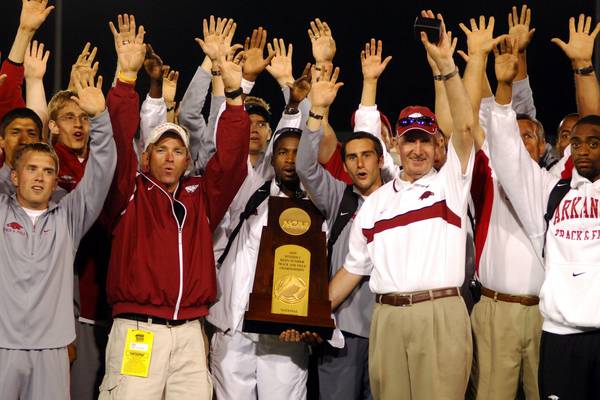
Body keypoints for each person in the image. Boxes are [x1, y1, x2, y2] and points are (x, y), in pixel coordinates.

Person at [97, 19, 249, 398]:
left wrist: (233, 95)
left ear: (187, 160)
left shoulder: (200, 197)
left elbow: (230, 162)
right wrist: (125, 80)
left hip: (189, 333)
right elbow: (116, 143)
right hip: (138, 329)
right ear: (145, 158)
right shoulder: (128, 194)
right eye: (160, 149)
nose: (169, 158)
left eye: (178, 150)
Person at [329, 19, 475, 399]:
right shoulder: (376, 203)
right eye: (410, 141)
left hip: (439, 313)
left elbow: (465, 128)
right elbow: (351, 271)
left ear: (437, 144)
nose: (417, 150)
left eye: (425, 141)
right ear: (396, 144)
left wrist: (446, 68)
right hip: (388, 317)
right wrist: (302, 312)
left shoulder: (451, 185)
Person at [487, 14, 600, 399]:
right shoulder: (551, 190)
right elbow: (506, 153)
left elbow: (593, 120)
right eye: (576, 144)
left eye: (593, 144)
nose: (581, 150)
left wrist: (583, 67)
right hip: (558, 335)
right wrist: (503, 90)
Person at [0, 71, 116, 400]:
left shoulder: (69, 217)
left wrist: (101, 119)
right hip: (3, 345)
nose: (40, 178)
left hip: (53, 349)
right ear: (14, 175)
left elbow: (102, 169)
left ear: (56, 180)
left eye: (48, 171)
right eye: (32, 169)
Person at [295, 38, 391, 400]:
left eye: (367, 155)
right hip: (345, 333)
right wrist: (316, 111)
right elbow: (305, 165)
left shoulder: (401, 198)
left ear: (380, 160)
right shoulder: (339, 196)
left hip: (389, 328)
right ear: (346, 163)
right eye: (352, 157)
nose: (360, 163)